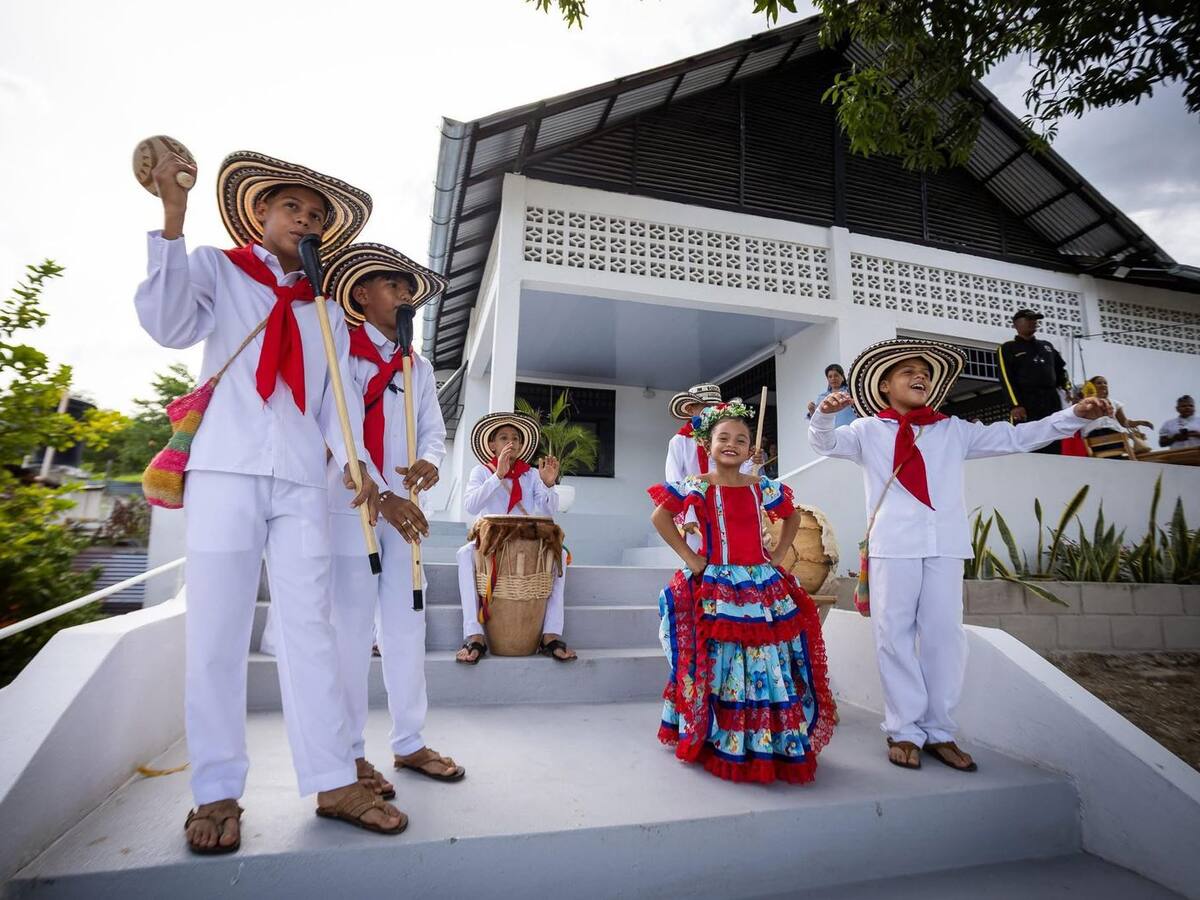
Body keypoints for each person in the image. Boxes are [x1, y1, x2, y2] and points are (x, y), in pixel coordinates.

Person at [135, 150, 405, 852]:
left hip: (298, 483)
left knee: (309, 628)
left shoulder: (324, 313)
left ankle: (332, 777)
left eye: (316, 216)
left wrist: (360, 470)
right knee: (218, 630)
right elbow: (168, 324)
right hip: (225, 468)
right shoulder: (218, 270)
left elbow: (335, 406)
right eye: (294, 209)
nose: (305, 221)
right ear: (261, 213)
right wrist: (172, 218)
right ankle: (217, 790)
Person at [809, 338, 1111, 773]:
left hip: (946, 545)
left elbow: (1017, 435)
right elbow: (823, 444)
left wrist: (1071, 416)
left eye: (926, 373)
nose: (920, 378)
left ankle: (939, 730)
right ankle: (905, 730)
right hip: (894, 545)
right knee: (893, 635)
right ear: (885, 385)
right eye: (909, 371)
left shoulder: (953, 430)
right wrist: (823, 412)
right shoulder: (867, 431)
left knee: (945, 637)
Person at [323, 243, 465, 806]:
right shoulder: (343, 353)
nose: (407, 297)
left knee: (408, 623)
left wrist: (430, 458)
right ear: (362, 293)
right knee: (352, 633)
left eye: (411, 290)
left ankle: (409, 741)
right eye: (395, 286)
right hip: (352, 509)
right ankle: (350, 752)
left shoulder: (418, 365)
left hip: (405, 512)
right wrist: (380, 494)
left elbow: (433, 427)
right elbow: (342, 426)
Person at [648, 401, 836, 784]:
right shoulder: (699, 484)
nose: (731, 444)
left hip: (759, 582)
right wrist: (691, 558)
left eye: (741, 439)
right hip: (716, 581)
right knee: (722, 657)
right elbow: (660, 517)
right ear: (709, 445)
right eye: (723, 438)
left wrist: (780, 555)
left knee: (764, 657)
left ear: (751, 450)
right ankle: (720, 735)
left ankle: (761, 737)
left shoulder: (762, 487)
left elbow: (792, 516)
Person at [454, 412, 576, 664]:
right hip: (491, 541)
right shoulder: (481, 472)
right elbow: (470, 505)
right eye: (504, 437)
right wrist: (498, 476)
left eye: (516, 439)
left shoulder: (531, 475)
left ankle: (550, 634)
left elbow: (547, 513)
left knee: (560, 554)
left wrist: (549, 484)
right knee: (465, 554)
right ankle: (475, 634)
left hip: (527, 539)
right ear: (492, 445)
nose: (511, 442)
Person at [666, 383, 762, 549]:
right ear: (690, 409)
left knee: (733, 554)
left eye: (716, 407)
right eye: (707, 407)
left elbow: (734, 472)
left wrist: (751, 461)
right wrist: (688, 515)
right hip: (696, 508)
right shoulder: (679, 441)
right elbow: (674, 480)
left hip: (728, 505)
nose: (713, 411)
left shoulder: (723, 439)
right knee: (700, 558)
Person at [998, 309, 1071, 454]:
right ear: (1016, 324)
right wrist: (1015, 405)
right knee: (1028, 437)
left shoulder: (1047, 346)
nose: (1034, 322)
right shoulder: (1008, 348)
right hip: (1026, 400)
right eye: (1029, 319)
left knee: (1053, 433)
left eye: (1035, 320)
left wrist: (1067, 388)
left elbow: (1061, 371)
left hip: (1050, 398)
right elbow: (1006, 378)